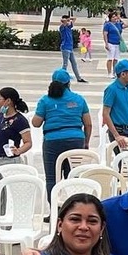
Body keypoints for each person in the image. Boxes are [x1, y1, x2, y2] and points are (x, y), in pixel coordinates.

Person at [32, 68, 91, 199]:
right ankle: (72, 210)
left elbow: (36, 123)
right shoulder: (79, 99)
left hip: (52, 141)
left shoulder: (45, 100)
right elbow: (88, 124)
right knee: (73, 175)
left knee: (52, 178)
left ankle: (54, 211)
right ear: (68, 83)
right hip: (76, 140)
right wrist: (86, 142)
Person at [102, 58, 128, 150]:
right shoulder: (112, 89)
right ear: (123, 74)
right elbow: (106, 113)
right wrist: (116, 135)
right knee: (122, 161)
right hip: (119, 129)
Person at [58, 14, 84, 83]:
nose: (68, 22)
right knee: (65, 64)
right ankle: (61, 78)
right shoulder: (62, 27)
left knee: (74, 63)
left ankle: (79, 78)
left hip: (70, 47)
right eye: (67, 21)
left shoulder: (69, 27)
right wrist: (65, 21)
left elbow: (74, 19)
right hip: (65, 47)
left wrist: (69, 19)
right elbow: (62, 21)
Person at [103, 8, 128, 76]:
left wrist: (120, 19)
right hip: (111, 43)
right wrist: (106, 44)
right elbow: (105, 34)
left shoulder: (118, 24)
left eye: (115, 16)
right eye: (113, 17)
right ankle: (109, 73)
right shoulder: (107, 25)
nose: (114, 18)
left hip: (118, 43)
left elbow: (127, 25)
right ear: (110, 18)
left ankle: (114, 72)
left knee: (116, 59)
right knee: (110, 58)